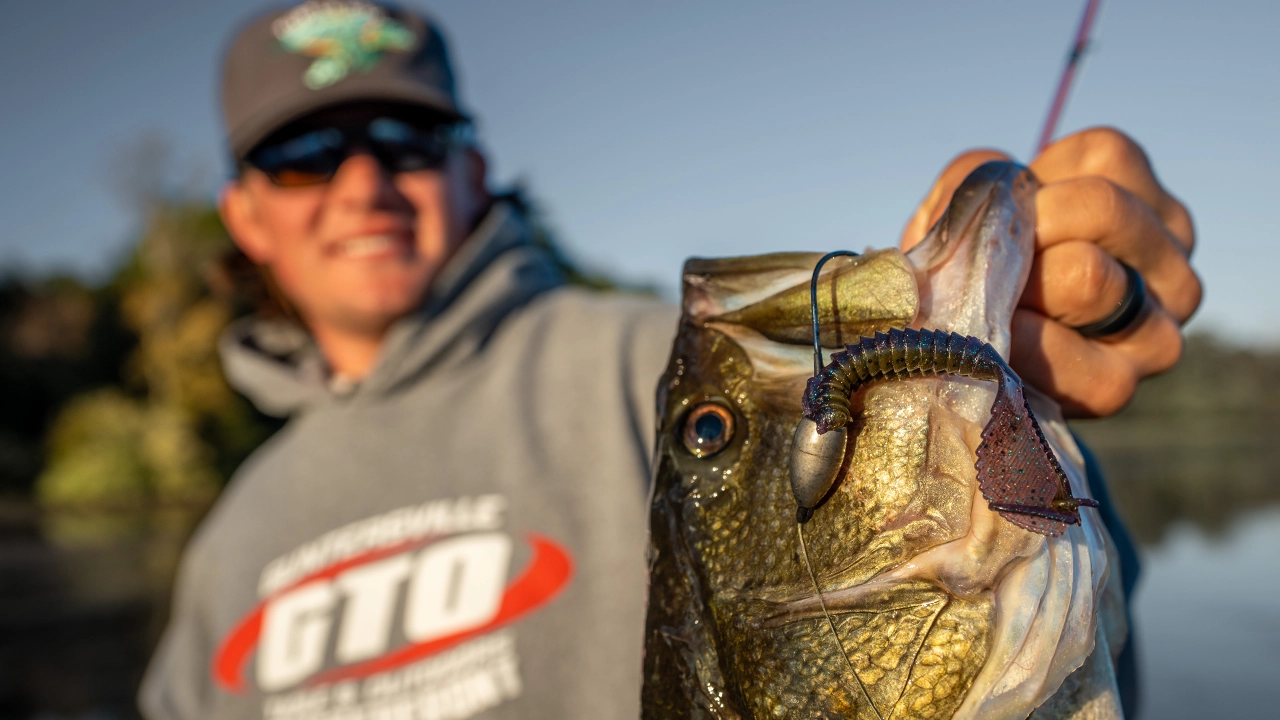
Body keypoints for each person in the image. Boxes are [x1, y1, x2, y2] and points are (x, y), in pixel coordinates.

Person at [139, 2, 1201, 719]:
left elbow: (1032, 590)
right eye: (307, 155)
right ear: (243, 215)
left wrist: (1030, 380)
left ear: (469, 169)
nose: (363, 183)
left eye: (405, 140)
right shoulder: (228, 546)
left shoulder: (649, 364)